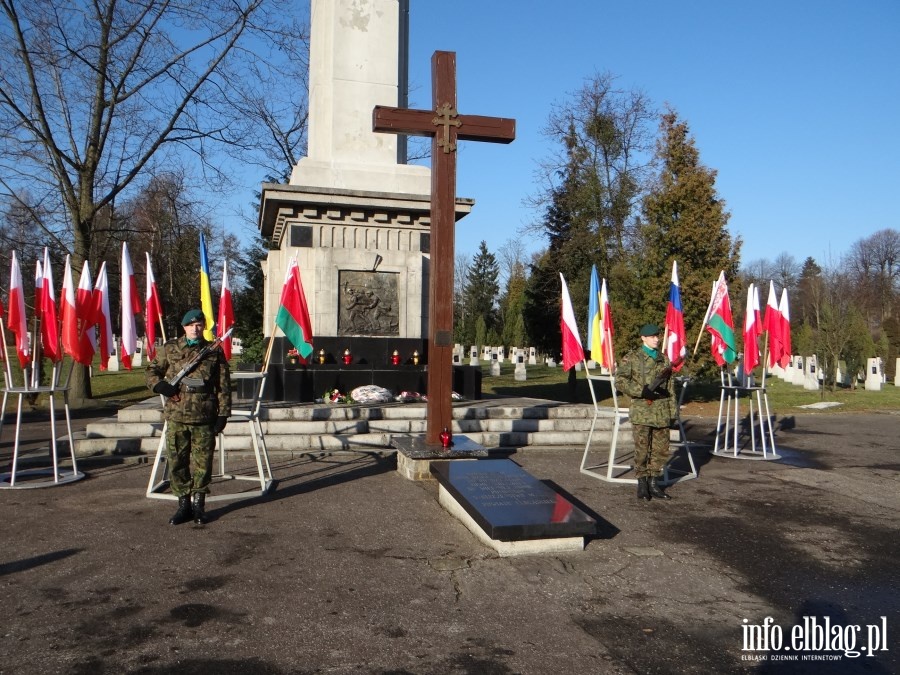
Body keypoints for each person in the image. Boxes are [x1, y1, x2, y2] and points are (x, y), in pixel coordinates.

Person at [146, 309, 231, 525]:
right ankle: (183, 504)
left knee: (203, 462)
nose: (195, 328)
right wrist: (160, 386)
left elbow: (223, 385)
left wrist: (223, 413)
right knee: (177, 461)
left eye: (199, 325)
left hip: (204, 414)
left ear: (204, 327)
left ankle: (199, 505)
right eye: (191, 325)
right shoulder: (170, 348)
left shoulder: (213, 351)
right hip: (177, 413)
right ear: (184, 327)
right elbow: (150, 372)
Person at [616, 323, 678, 501]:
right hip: (642, 411)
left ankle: (653, 482)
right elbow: (619, 381)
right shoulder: (633, 357)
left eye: (657, 336)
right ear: (643, 338)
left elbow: (671, 388)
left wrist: (672, 412)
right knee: (642, 449)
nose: (656, 339)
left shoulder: (664, 359)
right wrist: (641, 390)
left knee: (660, 450)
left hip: (661, 411)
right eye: (652, 336)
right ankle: (642, 483)